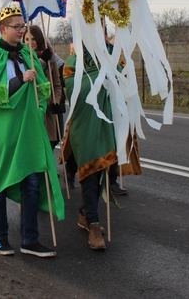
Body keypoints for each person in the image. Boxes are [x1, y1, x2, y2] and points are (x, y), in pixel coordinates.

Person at [0, 5, 64, 257]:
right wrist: (19, 80)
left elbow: (43, 89)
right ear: (3, 29)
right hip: (1, 128)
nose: (22, 30)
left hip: (27, 127)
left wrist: (39, 91)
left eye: (23, 26)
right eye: (17, 27)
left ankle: (30, 239)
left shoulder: (28, 53)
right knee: (0, 182)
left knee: (32, 181)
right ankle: (0, 238)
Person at [62, 45, 116, 251]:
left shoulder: (110, 54)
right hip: (84, 124)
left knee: (104, 171)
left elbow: (124, 80)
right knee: (90, 173)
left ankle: (86, 213)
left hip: (107, 123)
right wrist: (101, 74)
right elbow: (77, 89)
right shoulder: (73, 61)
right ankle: (93, 224)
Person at [23, 26, 64, 150]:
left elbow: (57, 84)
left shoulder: (51, 60)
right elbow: (32, 74)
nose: (30, 42)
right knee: (36, 146)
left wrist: (56, 101)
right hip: (33, 108)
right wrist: (42, 61)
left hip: (50, 108)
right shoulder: (22, 58)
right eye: (26, 39)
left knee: (53, 140)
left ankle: (47, 168)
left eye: (33, 39)